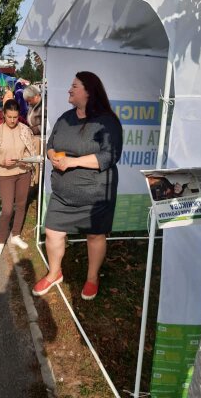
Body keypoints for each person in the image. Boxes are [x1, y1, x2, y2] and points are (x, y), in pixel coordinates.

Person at [32, 71, 123, 300]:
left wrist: (73, 161)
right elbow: (50, 143)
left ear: (89, 91)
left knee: (95, 236)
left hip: (95, 195)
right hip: (63, 194)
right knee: (52, 233)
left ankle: (92, 278)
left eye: (74, 86)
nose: (69, 90)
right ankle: (54, 273)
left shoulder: (107, 121)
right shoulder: (65, 118)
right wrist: (53, 155)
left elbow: (110, 155)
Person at [0, 99, 36, 257]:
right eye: (9, 117)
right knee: (6, 210)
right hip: (5, 174)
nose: (12, 120)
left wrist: (25, 159)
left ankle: (16, 235)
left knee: (21, 205)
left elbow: (31, 149)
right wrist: (2, 161)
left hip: (23, 172)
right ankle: (0, 241)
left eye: (15, 117)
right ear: (4, 115)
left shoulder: (25, 130)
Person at [23, 84, 43, 185]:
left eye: (29, 100)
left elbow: (46, 125)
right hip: (34, 137)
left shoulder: (44, 105)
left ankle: (38, 181)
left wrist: (33, 130)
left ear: (36, 96)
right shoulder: (32, 105)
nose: (28, 103)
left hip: (42, 139)